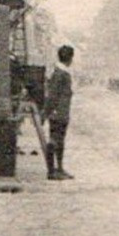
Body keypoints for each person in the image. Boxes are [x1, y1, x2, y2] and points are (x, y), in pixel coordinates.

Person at [43, 45, 75, 180]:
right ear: (69, 58)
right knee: (55, 141)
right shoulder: (60, 74)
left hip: (61, 112)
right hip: (58, 113)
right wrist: (46, 113)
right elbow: (53, 96)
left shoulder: (61, 73)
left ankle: (58, 169)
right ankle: (52, 171)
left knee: (59, 141)